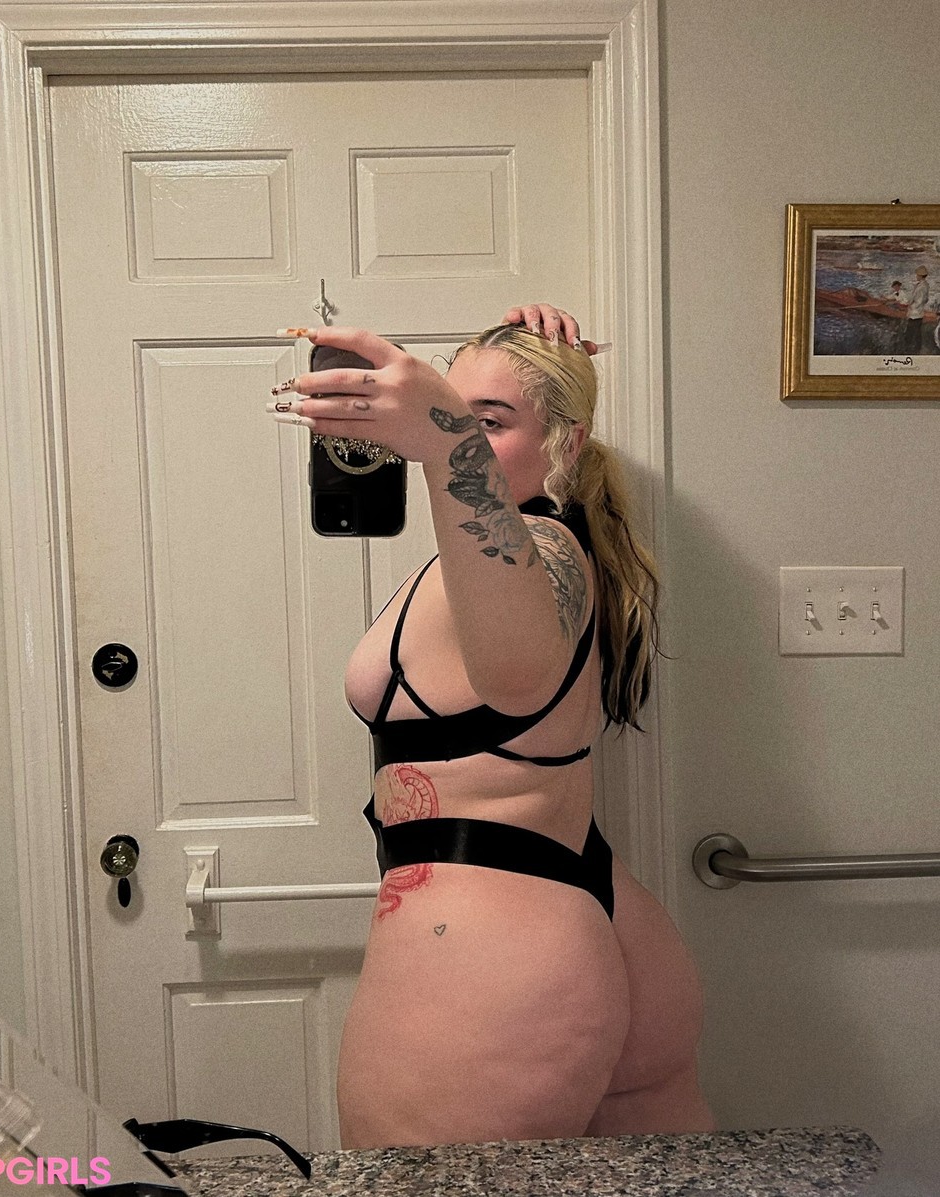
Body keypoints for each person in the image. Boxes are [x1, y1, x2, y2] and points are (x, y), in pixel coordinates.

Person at [267, 302, 713, 1148]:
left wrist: (446, 442)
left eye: (490, 423)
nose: (464, 434)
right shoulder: (531, 545)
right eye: (454, 410)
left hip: (492, 959)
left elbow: (516, 676)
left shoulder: (546, 548)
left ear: (567, 444)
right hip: (574, 922)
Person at [903, 266, 930, 353]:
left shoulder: (922, 287)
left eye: (917, 275)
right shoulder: (924, 285)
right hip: (918, 313)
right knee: (916, 332)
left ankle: (910, 349)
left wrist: (910, 306)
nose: (916, 276)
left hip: (915, 313)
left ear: (921, 276)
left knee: (911, 332)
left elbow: (919, 301)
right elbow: (926, 299)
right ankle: (916, 349)